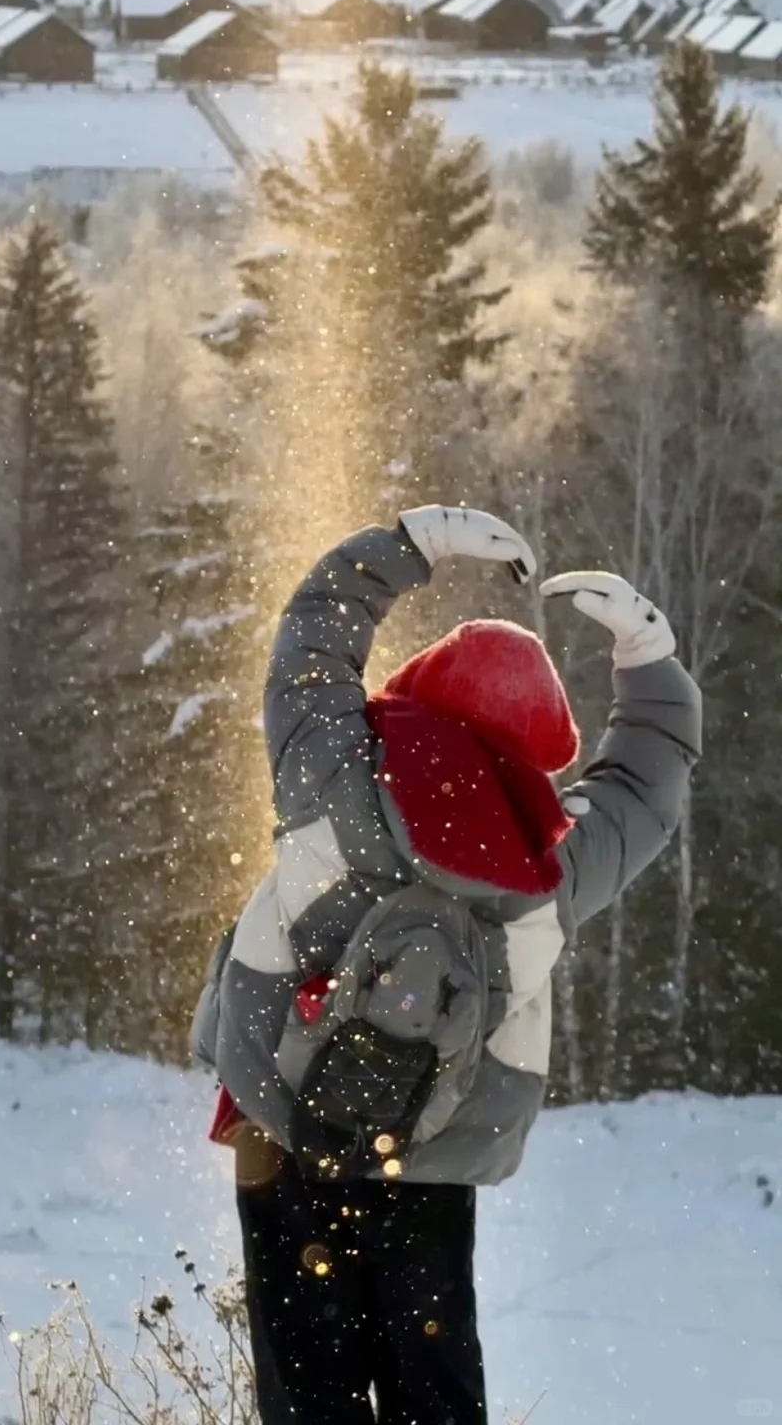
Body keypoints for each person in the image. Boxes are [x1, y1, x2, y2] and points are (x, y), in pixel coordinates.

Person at [190, 505, 702, 1425]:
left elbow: (314, 632)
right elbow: (649, 785)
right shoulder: (552, 862)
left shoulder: (337, 770)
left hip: (284, 1119)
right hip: (433, 1151)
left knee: (306, 1383)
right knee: (436, 1389)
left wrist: (410, 545)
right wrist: (647, 657)